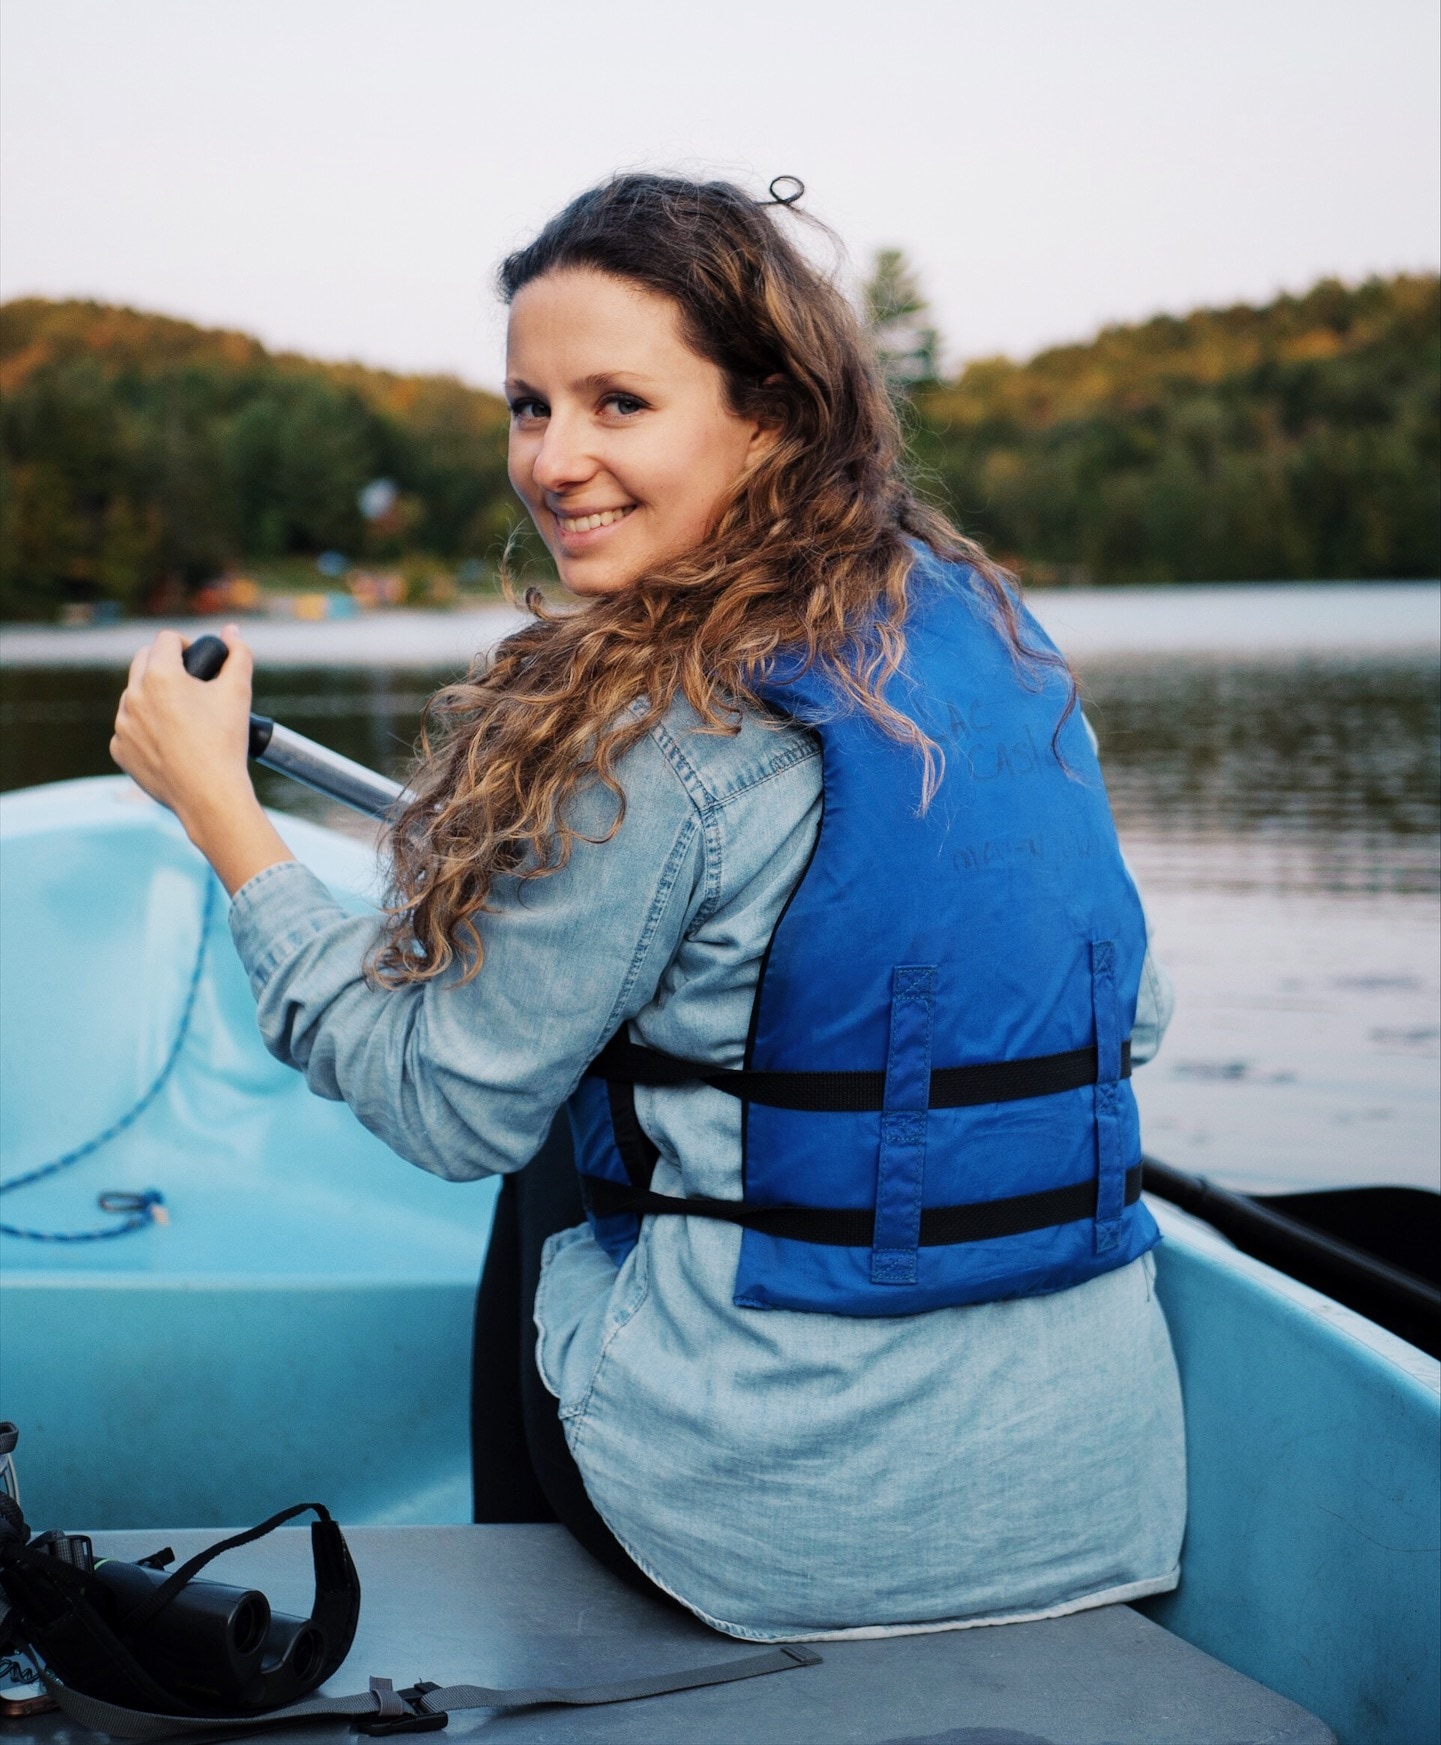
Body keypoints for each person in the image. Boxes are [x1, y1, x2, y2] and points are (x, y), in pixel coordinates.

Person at [111, 173, 1186, 1642]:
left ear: (769, 416)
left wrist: (225, 820)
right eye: (526, 406)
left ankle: (531, 1636)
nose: (553, 459)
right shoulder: (992, 642)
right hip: (1098, 1493)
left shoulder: (655, 740)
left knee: (542, 1125)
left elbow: (445, 1107)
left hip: (774, 1535)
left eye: (617, 402)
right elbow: (1130, 1010)